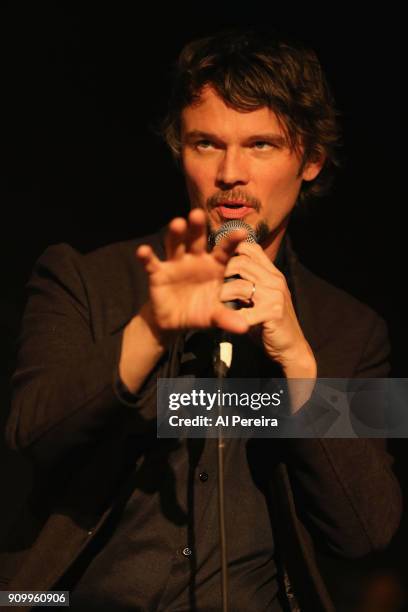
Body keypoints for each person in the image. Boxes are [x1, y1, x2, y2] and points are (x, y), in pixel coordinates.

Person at [1, 28, 402, 612]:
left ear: (311, 159)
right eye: (207, 144)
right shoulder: (84, 279)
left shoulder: (352, 329)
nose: (231, 172)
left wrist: (300, 366)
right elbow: (29, 436)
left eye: (261, 145)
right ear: (180, 151)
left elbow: (366, 532)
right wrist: (149, 330)